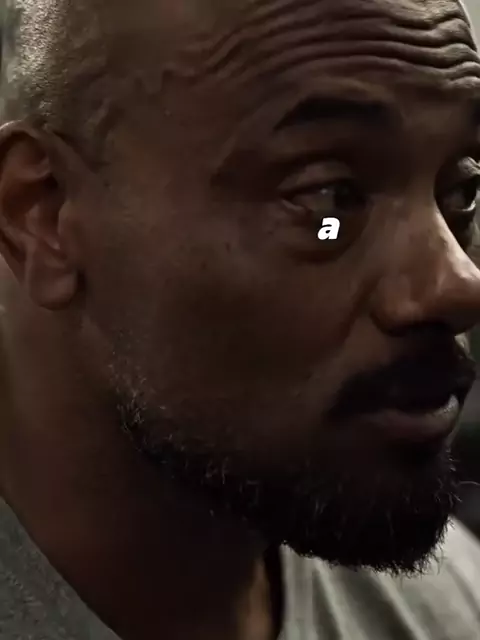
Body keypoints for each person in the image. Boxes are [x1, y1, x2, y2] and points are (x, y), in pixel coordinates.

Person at [1, 0, 480, 638]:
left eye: (463, 189)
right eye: (327, 197)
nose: (459, 285)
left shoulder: (450, 607)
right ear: (44, 216)